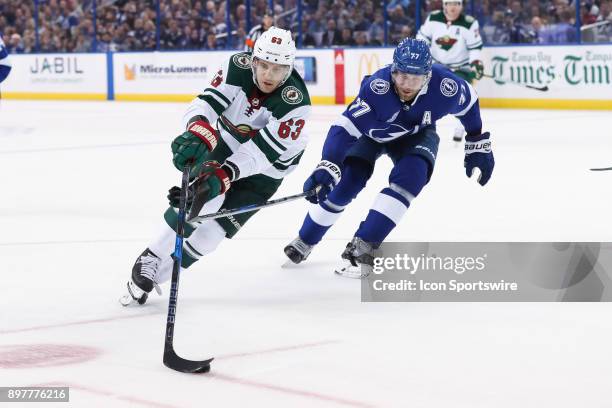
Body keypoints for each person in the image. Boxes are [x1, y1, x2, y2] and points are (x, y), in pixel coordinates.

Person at [121, 27, 311, 305]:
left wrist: (226, 173)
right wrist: (198, 128)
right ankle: (150, 256)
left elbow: (263, 152)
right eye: (265, 66)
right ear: (253, 60)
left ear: (289, 69)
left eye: (279, 69)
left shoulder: (296, 103)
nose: (269, 75)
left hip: (270, 168)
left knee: (212, 235)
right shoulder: (236, 67)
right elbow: (207, 102)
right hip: (228, 141)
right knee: (201, 197)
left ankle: (165, 273)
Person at [283, 38, 494, 276]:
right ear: (393, 69)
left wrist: (477, 141)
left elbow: (470, 104)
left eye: (415, 78)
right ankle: (306, 239)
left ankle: (364, 244)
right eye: (402, 75)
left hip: (416, 134)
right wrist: (329, 164)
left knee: (412, 178)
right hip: (371, 135)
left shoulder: (446, 87)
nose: (406, 84)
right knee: (346, 185)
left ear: (428, 77)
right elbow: (345, 128)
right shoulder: (377, 89)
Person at [417, 0, 484, 142]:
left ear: (461, 6)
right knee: (425, 96)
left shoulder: (469, 23)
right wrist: (421, 55)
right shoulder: (433, 18)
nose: (453, 7)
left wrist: (475, 63)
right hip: (435, 66)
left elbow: (475, 48)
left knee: (462, 96)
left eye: (457, 4)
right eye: (450, 4)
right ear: (444, 5)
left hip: (460, 68)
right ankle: (424, 128)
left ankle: (462, 126)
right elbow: (422, 38)